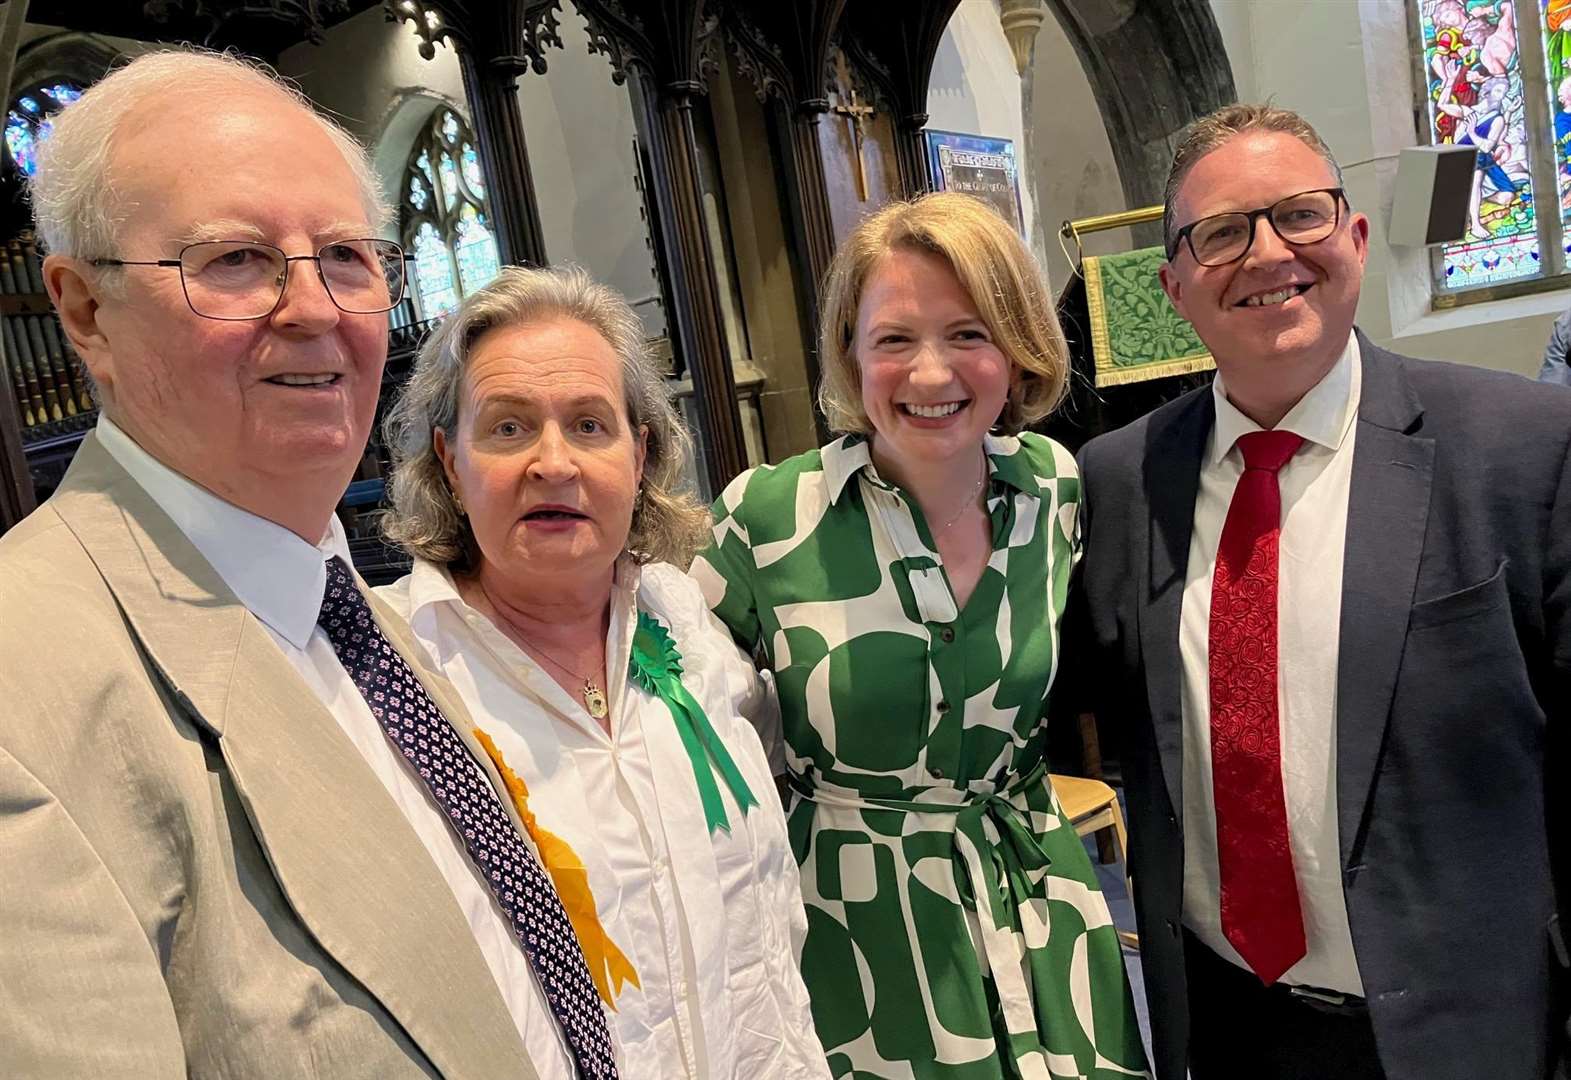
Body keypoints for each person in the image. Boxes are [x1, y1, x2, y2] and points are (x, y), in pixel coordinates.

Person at [0, 50, 611, 1078]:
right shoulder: (25, 697)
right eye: (234, 260)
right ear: (84, 311)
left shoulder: (343, 606)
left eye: (346, 256)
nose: (317, 309)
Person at [1071, 102, 1571, 1080]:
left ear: (1350, 235)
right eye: (1219, 233)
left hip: (1473, 1034)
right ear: (1171, 286)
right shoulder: (1119, 481)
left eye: (1296, 214)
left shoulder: (1517, 450)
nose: (1264, 253)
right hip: (1229, 1032)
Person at [691, 192, 1149, 1079]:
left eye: (969, 334)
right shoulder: (767, 517)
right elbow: (691, 734)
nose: (931, 375)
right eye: (894, 339)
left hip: (1039, 900)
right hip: (860, 929)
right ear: (849, 355)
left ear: (1016, 351)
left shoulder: (1053, 490)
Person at [375, 264, 829, 1079]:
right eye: (507, 429)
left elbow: (765, 911)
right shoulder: (397, 677)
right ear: (449, 460)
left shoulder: (683, 620)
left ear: (640, 450)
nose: (553, 463)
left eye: (589, 425)